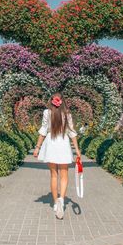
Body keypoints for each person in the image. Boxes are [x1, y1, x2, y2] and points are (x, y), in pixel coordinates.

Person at [33, 92, 81, 220]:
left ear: (52, 101)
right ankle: (62, 200)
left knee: (54, 175)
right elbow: (72, 133)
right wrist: (77, 149)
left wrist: (37, 148)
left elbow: (43, 131)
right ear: (63, 102)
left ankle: (55, 203)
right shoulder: (67, 114)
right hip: (63, 144)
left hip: (51, 144)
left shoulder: (47, 113)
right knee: (64, 175)